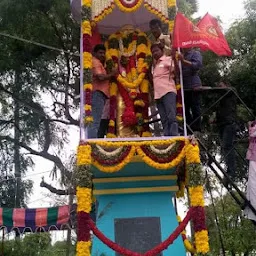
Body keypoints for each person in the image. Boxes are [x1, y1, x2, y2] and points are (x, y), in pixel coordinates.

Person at [88, 44, 117, 138]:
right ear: (94, 53)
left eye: (104, 53)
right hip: (98, 93)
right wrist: (112, 74)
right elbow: (100, 77)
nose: (102, 55)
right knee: (95, 121)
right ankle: (92, 142)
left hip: (100, 95)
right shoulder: (95, 62)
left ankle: (92, 140)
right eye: (100, 53)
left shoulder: (100, 64)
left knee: (96, 120)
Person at [151, 43, 178, 136]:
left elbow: (177, 73)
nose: (154, 53)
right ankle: (167, 137)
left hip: (168, 91)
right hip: (158, 95)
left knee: (171, 116)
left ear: (162, 51)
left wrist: (175, 59)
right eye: (153, 52)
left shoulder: (168, 59)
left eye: (156, 51)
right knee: (163, 118)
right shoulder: (155, 65)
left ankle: (174, 136)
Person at [178, 48, 203, 133]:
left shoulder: (195, 53)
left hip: (194, 84)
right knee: (185, 109)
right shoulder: (180, 54)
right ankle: (189, 128)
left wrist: (183, 61)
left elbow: (197, 66)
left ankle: (197, 128)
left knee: (195, 107)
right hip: (183, 86)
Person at [216, 81, 237, 178]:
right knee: (224, 147)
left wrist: (210, 88)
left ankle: (231, 171)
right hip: (222, 124)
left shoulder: (231, 91)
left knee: (227, 146)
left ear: (226, 85)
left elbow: (229, 90)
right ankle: (229, 169)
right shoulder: (221, 98)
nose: (218, 88)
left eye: (220, 86)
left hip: (229, 124)